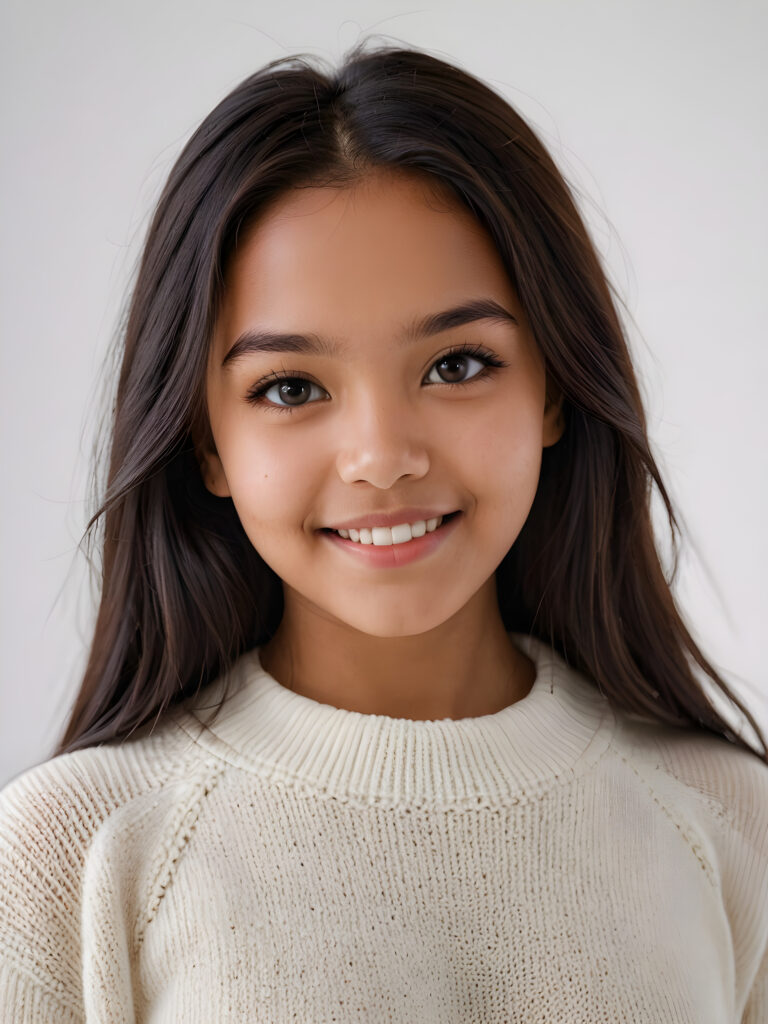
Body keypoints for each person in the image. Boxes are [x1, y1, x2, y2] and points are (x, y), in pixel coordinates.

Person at [1, 39, 766, 1022]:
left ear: (554, 391)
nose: (381, 456)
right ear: (206, 444)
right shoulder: (69, 861)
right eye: (290, 387)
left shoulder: (730, 826)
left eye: (457, 365)